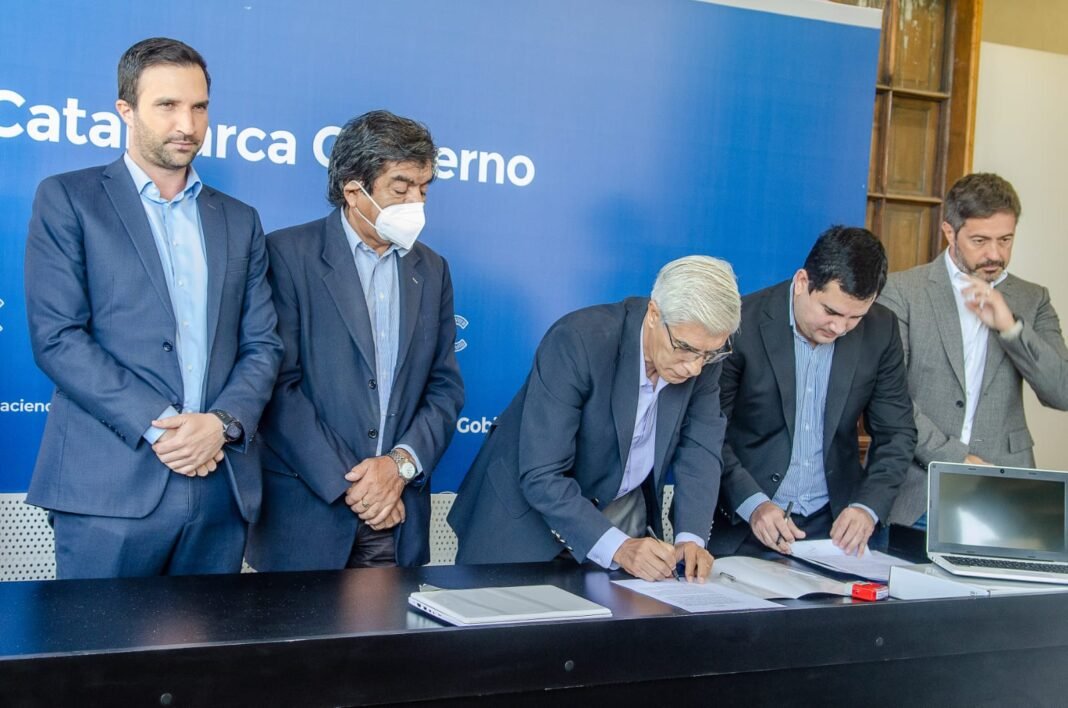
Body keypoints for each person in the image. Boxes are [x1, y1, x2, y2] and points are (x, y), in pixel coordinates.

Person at [23, 38, 283, 578]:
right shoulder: (69, 198)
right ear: (126, 110)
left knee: (206, 639)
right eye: (167, 105)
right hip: (108, 487)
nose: (187, 124)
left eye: (199, 106)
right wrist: (162, 427)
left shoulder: (240, 219)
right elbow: (58, 338)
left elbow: (262, 344)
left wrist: (222, 423)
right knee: (96, 639)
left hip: (219, 486)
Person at [246, 111, 464, 570]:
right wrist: (359, 485)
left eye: (424, 188)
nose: (416, 202)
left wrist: (399, 467)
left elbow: (444, 386)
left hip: (397, 515)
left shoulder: (432, 269)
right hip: (308, 513)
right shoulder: (286, 255)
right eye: (401, 188)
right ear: (353, 191)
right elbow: (277, 387)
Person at [449, 256, 740, 582]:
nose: (695, 367)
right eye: (685, 349)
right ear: (654, 314)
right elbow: (542, 473)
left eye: (709, 354)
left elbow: (701, 449)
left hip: (611, 518)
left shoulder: (701, 353)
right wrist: (620, 548)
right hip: (520, 526)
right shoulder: (579, 340)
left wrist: (691, 538)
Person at [709, 226, 916, 558]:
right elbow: (709, 430)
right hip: (747, 523)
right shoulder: (742, 323)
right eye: (830, 311)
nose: (840, 328)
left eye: (855, 317)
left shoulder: (882, 329)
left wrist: (867, 507)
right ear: (803, 281)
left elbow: (897, 433)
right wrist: (753, 503)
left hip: (835, 527)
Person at [878, 173, 1068, 528]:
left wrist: (1010, 328)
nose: (995, 254)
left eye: (1005, 240)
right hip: (918, 489)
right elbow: (890, 398)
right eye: (980, 240)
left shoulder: (1033, 298)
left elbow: (1062, 391)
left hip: (1006, 494)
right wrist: (955, 458)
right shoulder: (903, 292)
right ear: (949, 232)